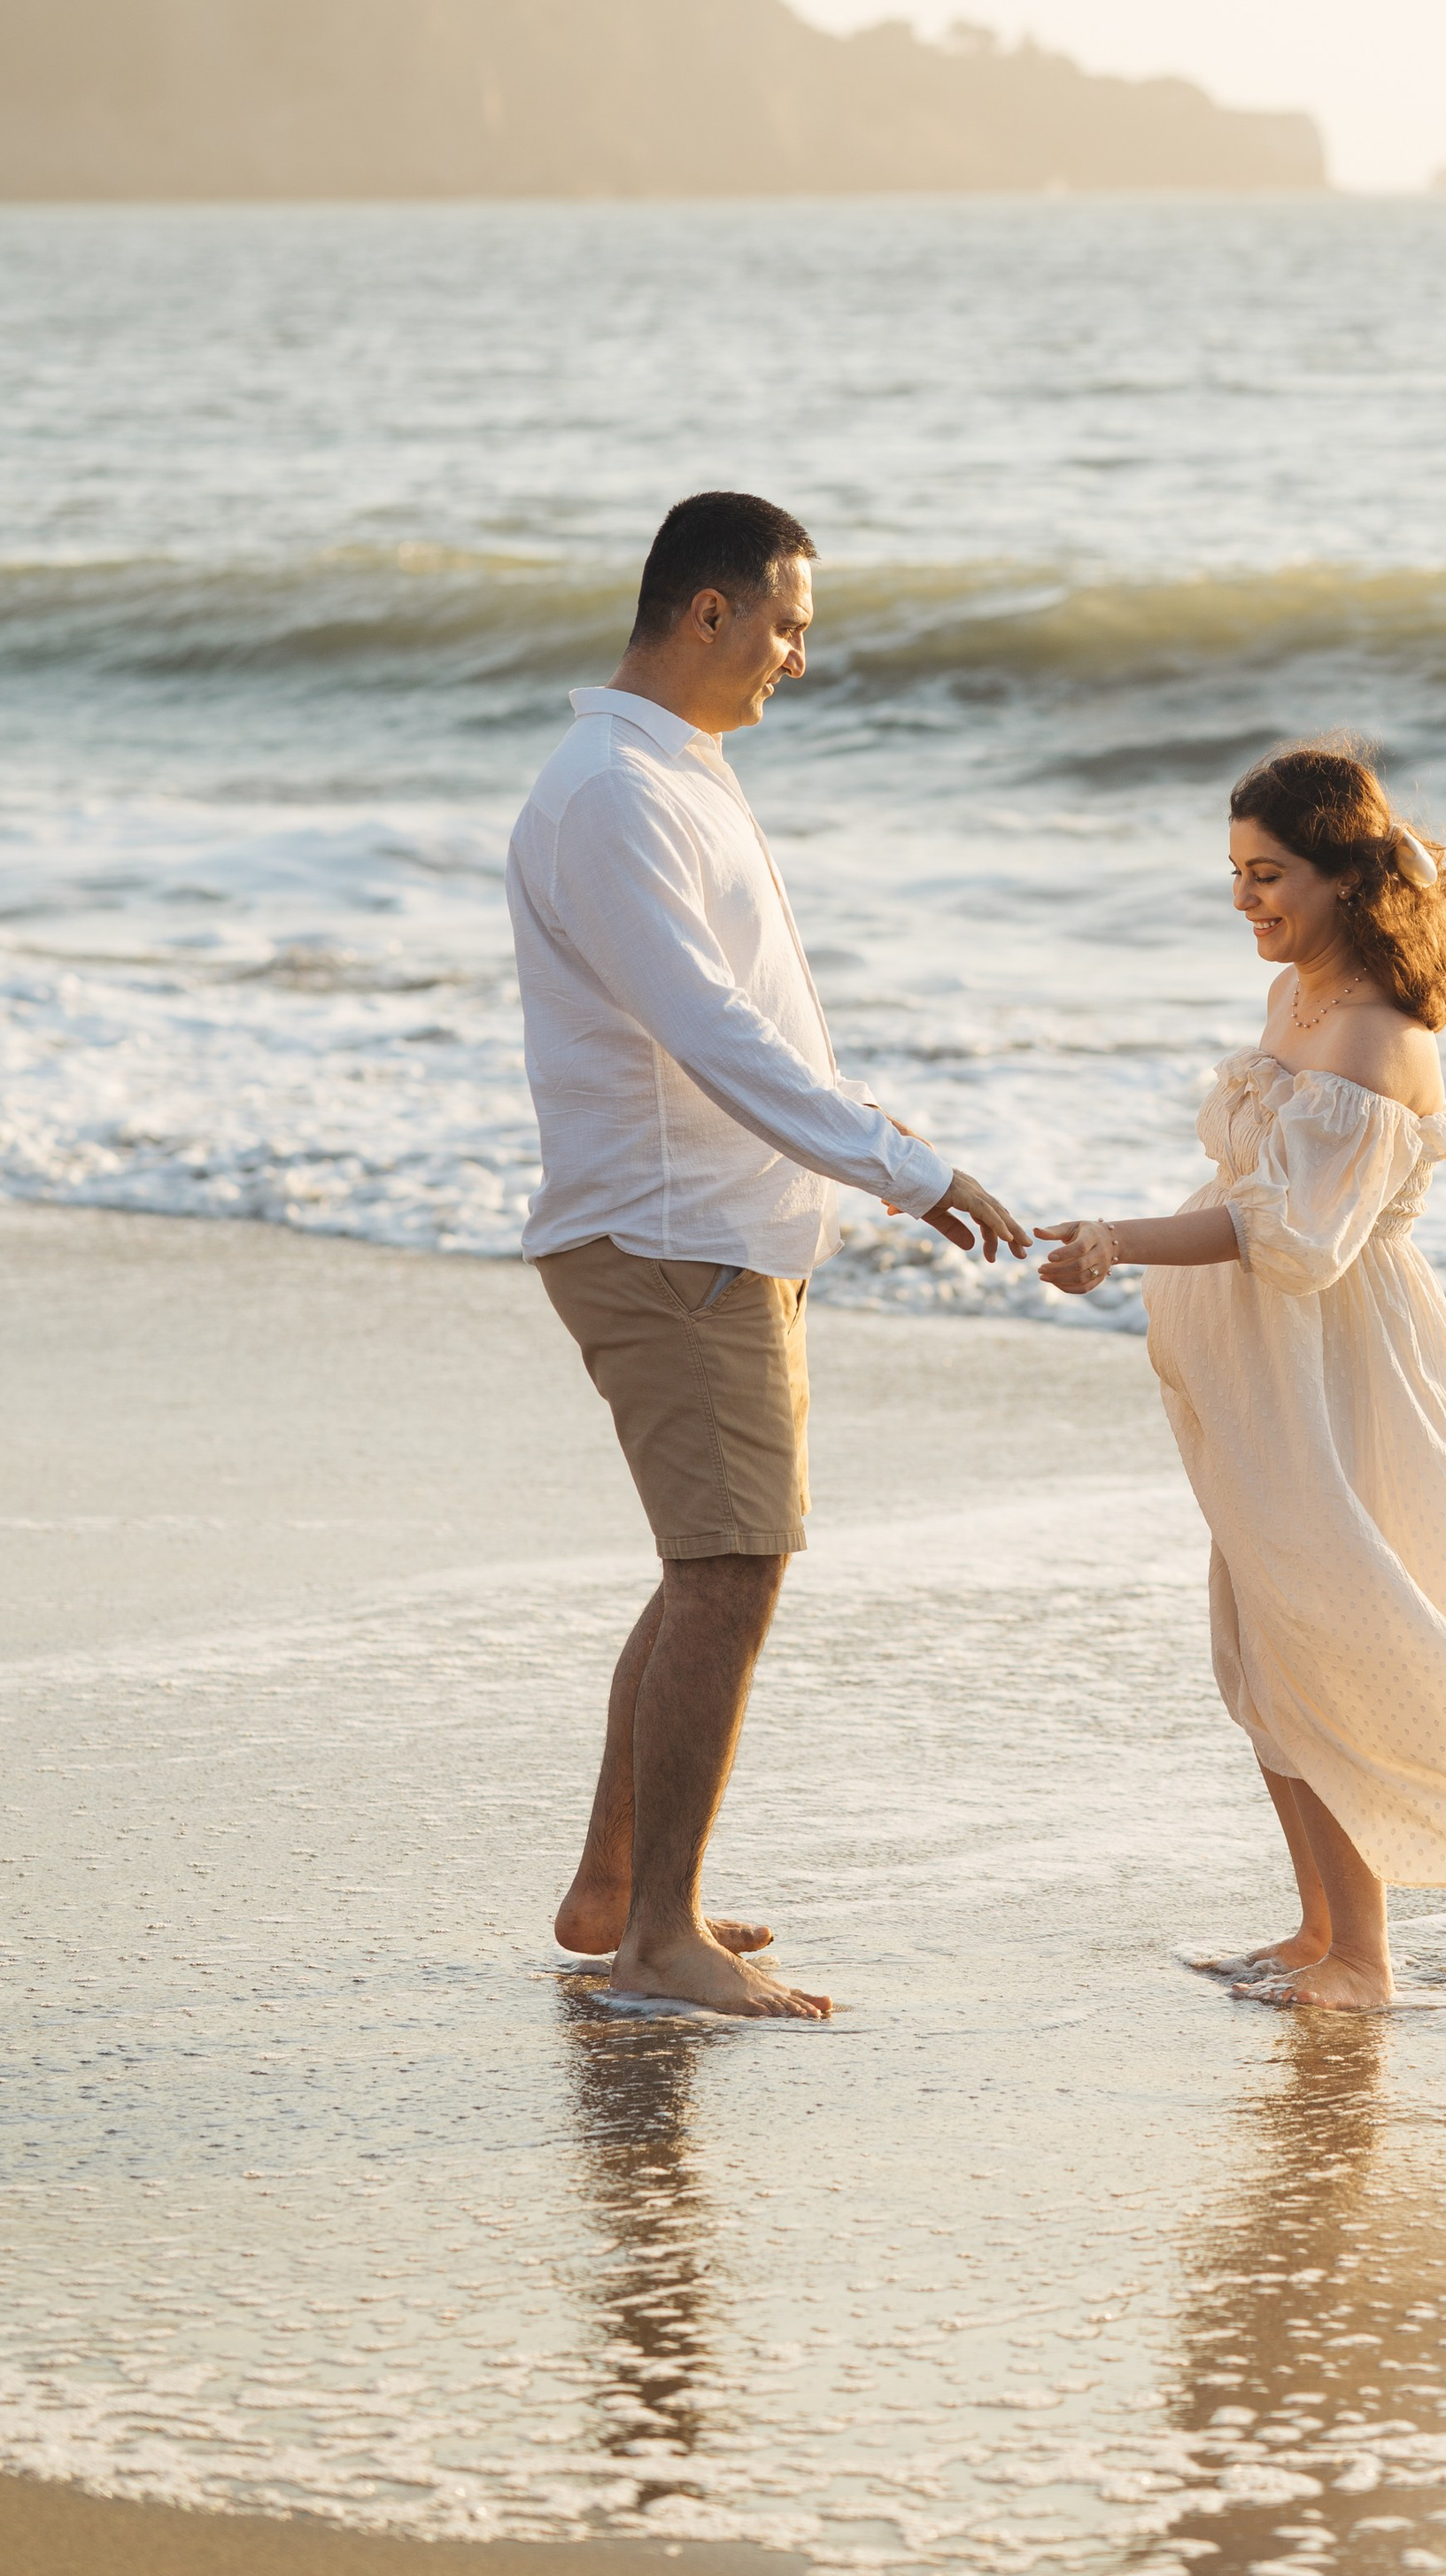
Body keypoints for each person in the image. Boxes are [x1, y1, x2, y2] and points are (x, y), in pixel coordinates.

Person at [1037, 741, 1446, 2008]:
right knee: (1264, 1647)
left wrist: (1120, 1242)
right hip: (1267, 1377)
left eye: (1269, 874)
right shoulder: (1296, 1001)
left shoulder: (1379, 1036)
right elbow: (1249, 1194)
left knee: (1330, 1641)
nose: (1246, 902)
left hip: (1348, 1377)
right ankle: (1314, 1927)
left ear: (1343, 875)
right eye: (1233, 875)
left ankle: (1364, 1960)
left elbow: (1289, 1236)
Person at [509, 489, 1029, 2021]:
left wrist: (871, 1149)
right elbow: (712, 1037)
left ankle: (622, 1891)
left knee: (708, 1571)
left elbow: (759, 1026)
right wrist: (908, 1170)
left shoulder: (678, 771)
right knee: (730, 1569)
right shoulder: (617, 791)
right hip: (672, 1236)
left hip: (714, 1229)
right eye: (789, 624)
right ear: (709, 610)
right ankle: (658, 1938)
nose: (802, 656)